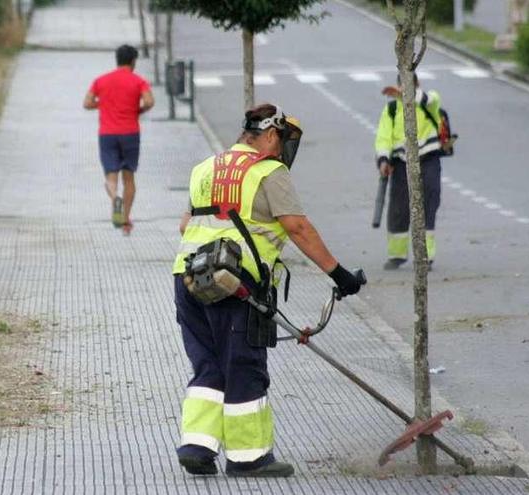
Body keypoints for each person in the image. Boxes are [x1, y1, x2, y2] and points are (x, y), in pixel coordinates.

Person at [172, 104, 364, 477]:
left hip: (189, 279)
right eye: (283, 142)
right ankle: (249, 458)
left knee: (208, 363)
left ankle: (197, 447)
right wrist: (339, 275)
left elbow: (185, 226)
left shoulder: (205, 168)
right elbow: (298, 228)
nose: (283, 152)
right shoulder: (269, 171)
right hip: (235, 284)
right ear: (271, 135)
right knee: (243, 365)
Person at [83, 44, 155, 235]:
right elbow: (149, 101)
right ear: (133, 61)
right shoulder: (138, 81)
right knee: (129, 177)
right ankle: (125, 218)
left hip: (107, 134)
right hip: (130, 132)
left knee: (110, 176)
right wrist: (138, 110)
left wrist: (102, 104)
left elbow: (87, 103)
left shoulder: (101, 81)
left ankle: (115, 197)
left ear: (117, 59)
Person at [374, 74, 444, 270]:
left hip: (428, 159)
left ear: (417, 84)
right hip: (401, 163)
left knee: (428, 205)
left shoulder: (430, 99)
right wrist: (383, 160)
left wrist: (405, 94)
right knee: (399, 208)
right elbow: (383, 137)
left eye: (408, 86)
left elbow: (427, 100)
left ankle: (425, 257)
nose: (403, 90)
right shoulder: (392, 109)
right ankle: (397, 255)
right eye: (401, 86)